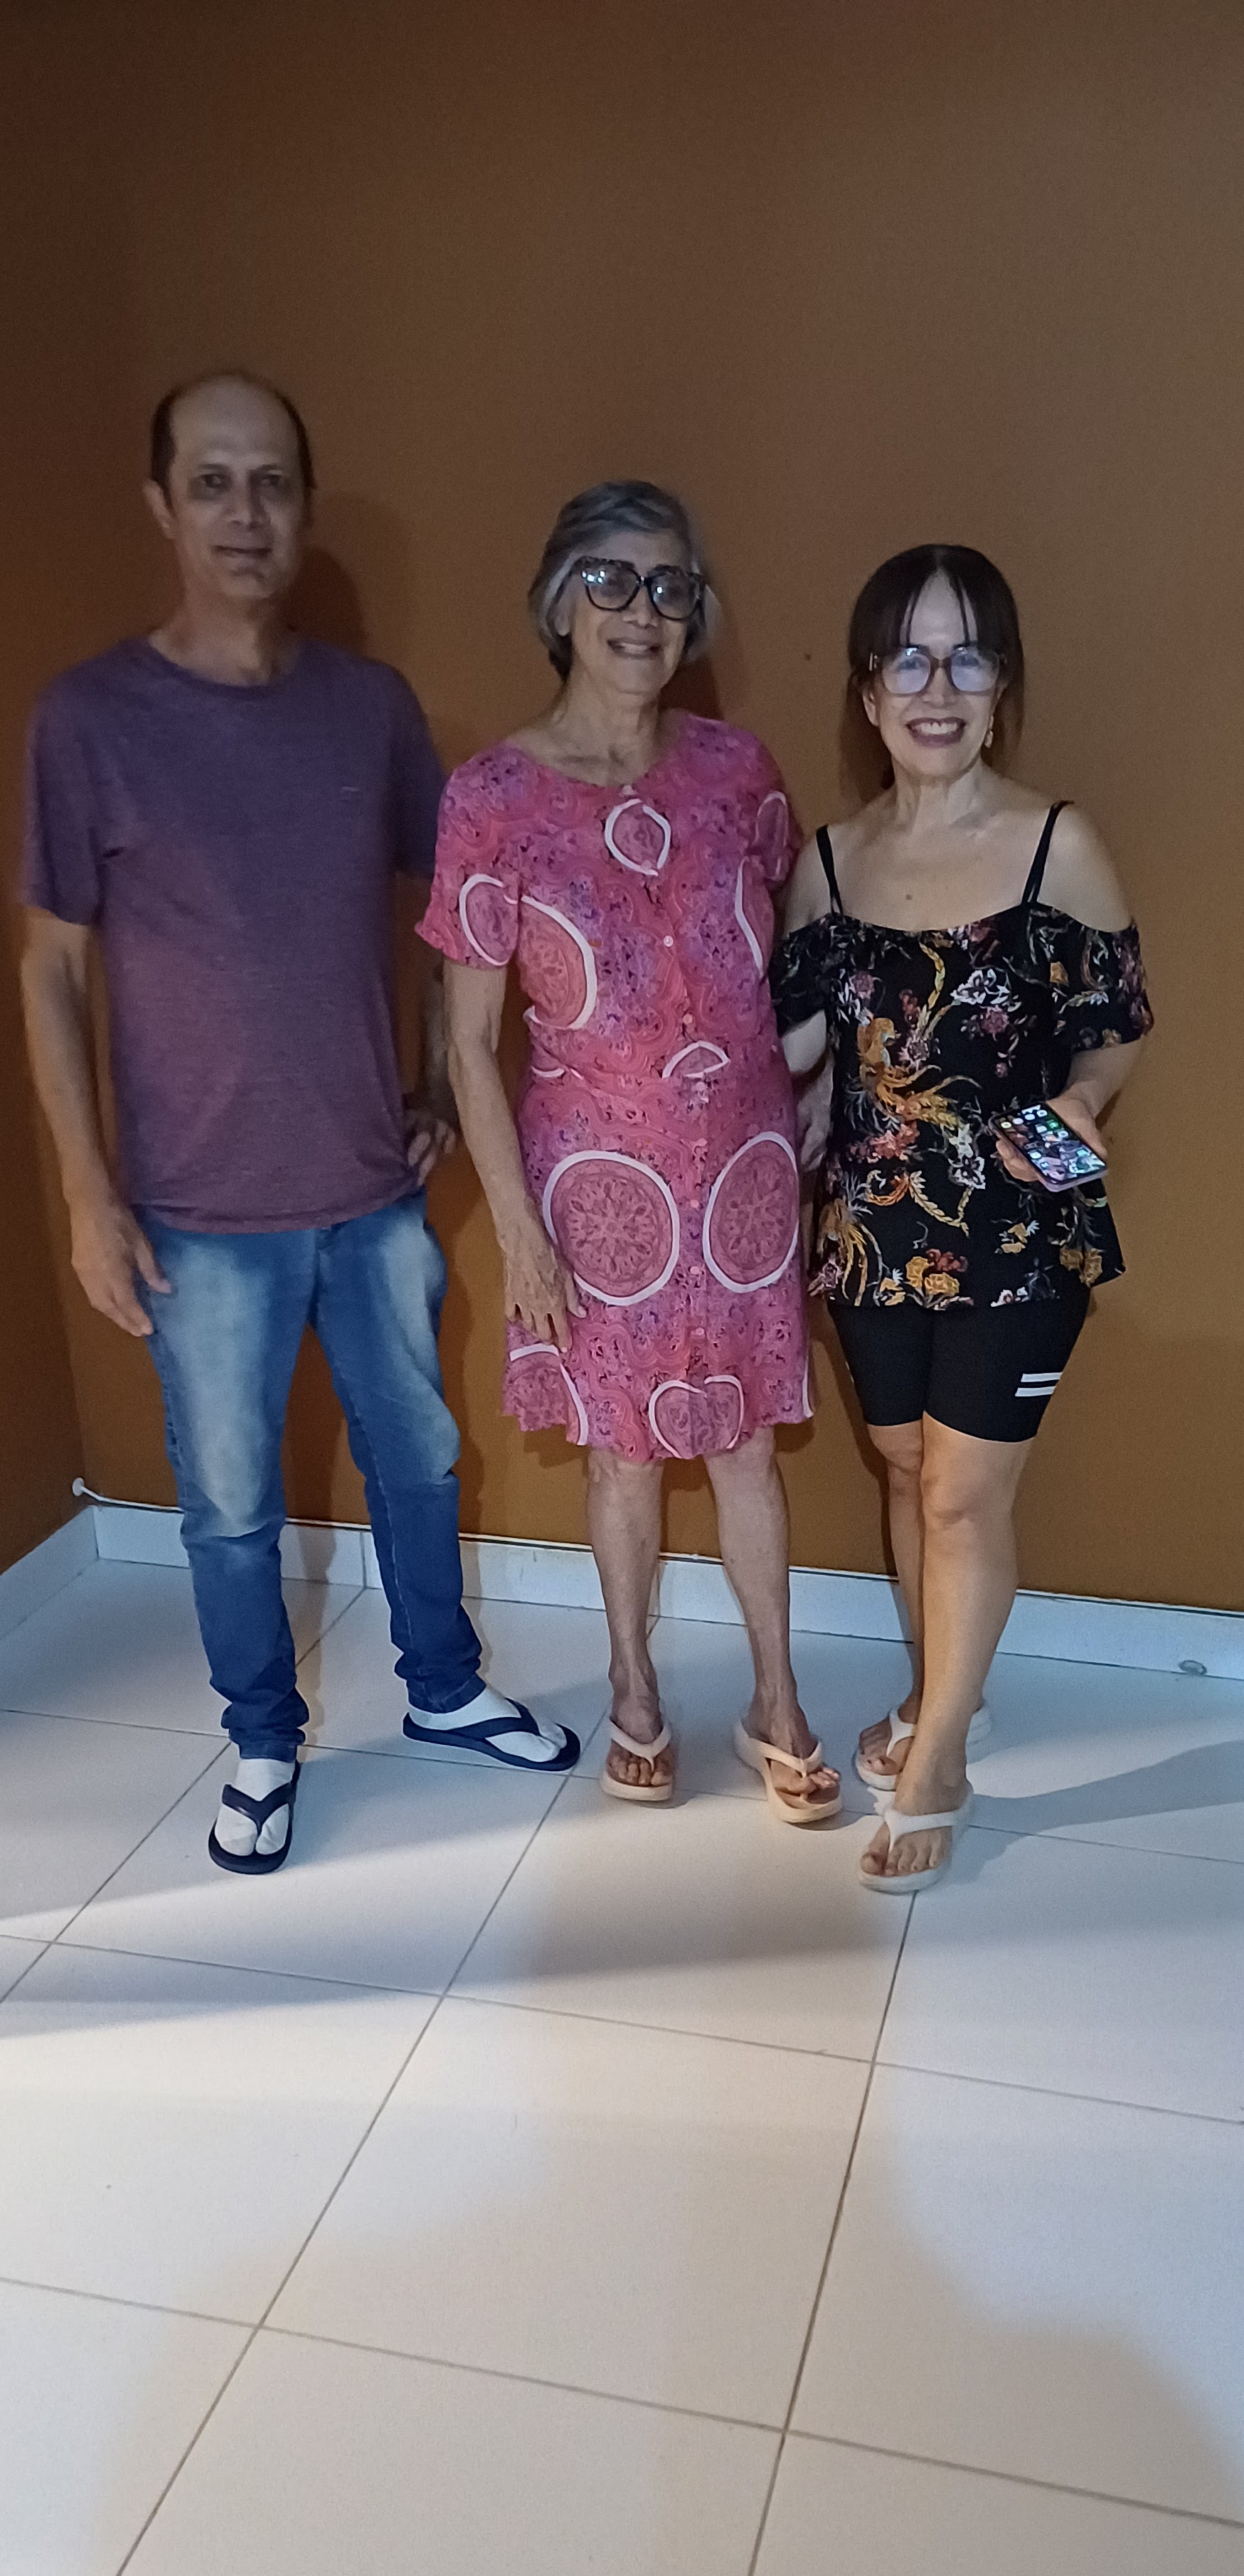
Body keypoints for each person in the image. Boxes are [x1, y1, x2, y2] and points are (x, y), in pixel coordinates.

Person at [20, 370, 576, 1877]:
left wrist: (434, 1084)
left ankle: (443, 1691)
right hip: (197, 1211)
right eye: (211, 481)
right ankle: (263, 1738)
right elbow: (50, 966)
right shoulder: (90, 720)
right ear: (163, 506)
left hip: (369, 1189)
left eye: (270, 481)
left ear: (305, 505)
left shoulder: (370, 709)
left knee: (421, 1461)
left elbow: (452, 907)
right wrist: (86, 1195)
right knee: (227, 1507)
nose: (244, 511)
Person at [424, 481, 839, 1819]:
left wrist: (823, 1085)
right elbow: (467, 1046)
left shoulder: (739, 772)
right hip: (593, 1190)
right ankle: (635, 1691)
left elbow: (797, 954)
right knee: (622, 1454)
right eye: (610, 580)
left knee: (745, 1447)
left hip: (744, 1174)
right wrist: (521, 1234)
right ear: (560, 603)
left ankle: (776, 1700)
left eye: (670, 585)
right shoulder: (491, 799)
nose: (641, 611)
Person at [773, 543, 1152, 1889]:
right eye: (910, 660)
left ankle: (938, 1760)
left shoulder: (1059, 844)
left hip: (1019, 1228)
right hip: (872, 1231)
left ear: (1003, 686)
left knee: (961, 1494)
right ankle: (949, 1688)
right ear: (869, 692)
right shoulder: (828, 863)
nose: (938, 688)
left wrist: (1087, 1097)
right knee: (904, 1472)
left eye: (968, 657)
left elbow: (1117, 1022)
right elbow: (800, 1046)